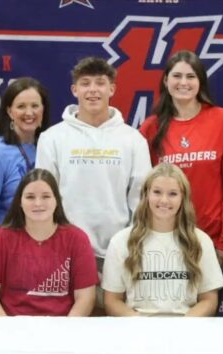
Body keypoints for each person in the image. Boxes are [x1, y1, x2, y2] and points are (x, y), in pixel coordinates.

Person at [36, 57, 151, 288]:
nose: (93, 90)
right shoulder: (52, 138)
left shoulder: (133, 139)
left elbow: (141, 201)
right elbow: (45, 198)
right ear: (74, 90)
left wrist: (128, 246)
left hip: (120, 254)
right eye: (85, 83)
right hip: (65, 252)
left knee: (115, 322)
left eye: (100, 83)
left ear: (112, 89)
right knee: (72, 322)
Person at [139, 50, 223, 269]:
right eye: (177, 76)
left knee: (206, 303)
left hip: (210, 240)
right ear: (166, 80)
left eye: (191, 76)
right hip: (164, 238)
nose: (183, 82)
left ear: (200, 82)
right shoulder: (151, 127)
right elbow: (142, 188)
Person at [102, 163, 223, 316]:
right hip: (138, 332)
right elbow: (112, 300)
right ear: (146, 194)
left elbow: (209, 300)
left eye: (173, 194)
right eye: (157, 192)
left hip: (186, 331)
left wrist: (183, 327)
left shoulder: (201, 241)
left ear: (183, 198)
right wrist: (140, 326)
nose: (164, 200)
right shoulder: (121, 241)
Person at [0, 169, 98, 316]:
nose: (38, 203)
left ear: (56, 200)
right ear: (19, 202)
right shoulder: (0, 238)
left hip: (61, 329)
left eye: (46, 196)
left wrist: (65, 333)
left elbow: (86, 298)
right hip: (12, 328)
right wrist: (8, 331)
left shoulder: (77, 239)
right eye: (30, 197)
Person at [0, 77, 50, 254]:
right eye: (21, 106)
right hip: (10, 253)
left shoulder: (50, 148)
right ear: (9, 111)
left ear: (43, 110)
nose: (29, 113)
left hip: (46, 252)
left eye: (35, 106)